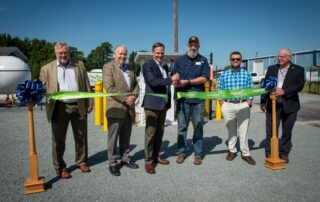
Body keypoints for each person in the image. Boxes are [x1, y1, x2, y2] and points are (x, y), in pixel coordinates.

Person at [39, 42, 93, 179]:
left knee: (81, 136)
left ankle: (81, 161)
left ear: (69, 53)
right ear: (56, 53)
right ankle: (60, 167)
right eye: (60, 53)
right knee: (58, 139)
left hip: (78, 105)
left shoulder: (79, 64)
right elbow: (41, 88)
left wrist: (90, 102)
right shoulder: (46, 68)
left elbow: (87, 85)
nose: (63, 55)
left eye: (65, 52)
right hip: (58, 107)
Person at [260, 48, 305, 163]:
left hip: (290, 104)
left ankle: (283, 153)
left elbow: (299, 86)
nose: (279, 58)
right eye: (278, 56)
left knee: (287, 130)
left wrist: (284, 91)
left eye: (282, 56)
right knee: (270, 130)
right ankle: (270, 152)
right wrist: (263, 101)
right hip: (273, 104)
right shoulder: (272, 68)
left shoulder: (298, 70)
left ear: (289, 57)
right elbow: (266, 85)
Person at [171, 36, 210, 165]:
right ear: (187, 45)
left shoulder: (203, 60)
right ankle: (181, 153)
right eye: (191, 45)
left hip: (198, 100)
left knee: (198, 128)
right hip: (183, 100)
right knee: (182, 128)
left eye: (195, 45)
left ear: (198, 46)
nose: (193, 47)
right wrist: (175, 80)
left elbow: (204, 78)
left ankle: (198, 154)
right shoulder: (180, 60)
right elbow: (173, 75)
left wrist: (187, 81)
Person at [142, 42, 179, 174]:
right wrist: (171, 79)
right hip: (151, 104)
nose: (160, 55)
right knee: (150, 133)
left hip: (162, 104)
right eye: (157, 52)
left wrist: (168, 103)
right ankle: (148, 161)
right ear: (153, 53)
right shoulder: (147, 65)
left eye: (162, 53)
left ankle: (156, 156)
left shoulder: (164, 66)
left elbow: (166, 87)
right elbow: (153, 82)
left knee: (159, 132)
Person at [103, 45, 139, 176]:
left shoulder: (130, 69)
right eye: (120, 54)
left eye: (125, 54)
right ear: (114, 55)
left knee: (126, 137)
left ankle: (125, 159)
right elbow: (110, 88)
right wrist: (126, 99)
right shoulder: (108, 67)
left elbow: (136, 85)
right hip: (115, 108)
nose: (123, 56)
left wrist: (134, 96)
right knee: (113, 138)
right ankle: (112, 163)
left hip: (129, 109)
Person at [218, 51, 256, 165]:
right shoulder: (224, 74)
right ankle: (232, 150)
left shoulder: (246, 74)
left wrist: (248, 102)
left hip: (243, 104)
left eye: (238, 59)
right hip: (228, 105)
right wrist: (222, 104)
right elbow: (220, 90)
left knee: (243, 130)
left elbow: (251, 89)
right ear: (230, 61)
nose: (235, 61)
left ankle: (245, 153)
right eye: (233, 59)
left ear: (241, 60)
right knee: (231, 130)